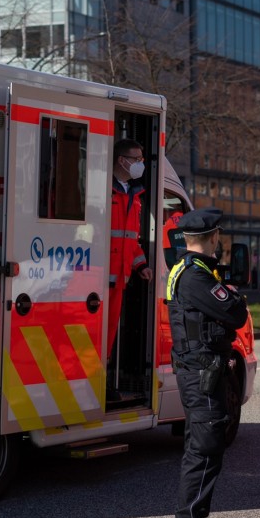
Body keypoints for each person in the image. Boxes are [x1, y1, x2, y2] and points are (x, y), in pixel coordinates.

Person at [166, 207, 249, 518]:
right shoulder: (196, 277)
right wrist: (233, 297)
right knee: (203, 453)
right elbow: (235, 312)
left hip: (201, 371)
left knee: (205, 450)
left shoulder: (192, 271)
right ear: (213, 237)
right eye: (219, 236)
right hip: (201, 373)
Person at [108, 138, 151, 360]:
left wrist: (141, 264)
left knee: (109, 333)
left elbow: (130, 240)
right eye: (136, 159)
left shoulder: (134, 195)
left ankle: (102, 378)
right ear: (122, 160)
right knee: (99, 334)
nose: (140, 164)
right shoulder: (107, 190)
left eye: (141, 159)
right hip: (100, 279)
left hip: (119, 280)